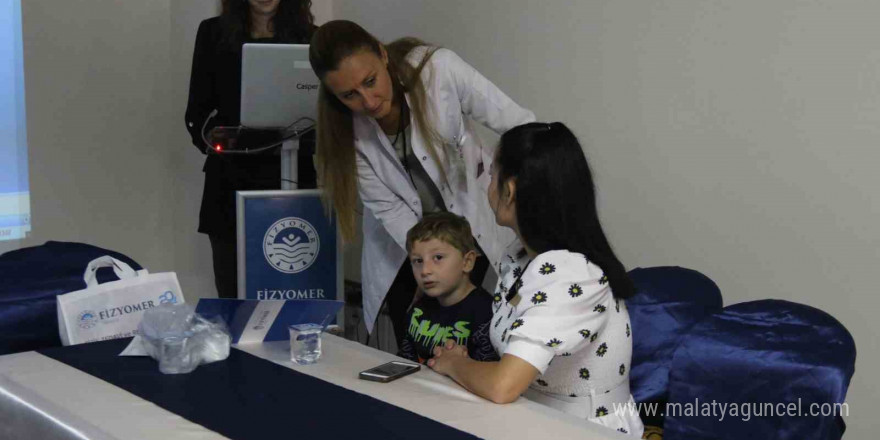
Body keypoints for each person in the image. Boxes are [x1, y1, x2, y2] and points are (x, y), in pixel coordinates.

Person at [308, 20, 535, 344]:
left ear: (382, 55)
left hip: (471, 229)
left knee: (479, 336)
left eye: (370, 81)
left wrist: (516, 183)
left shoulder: (438, 69)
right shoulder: (344, 131)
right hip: (406, 247)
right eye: (349, 95)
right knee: (416, 345)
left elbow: (520, 125)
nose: (368, 101)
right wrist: (428, 258)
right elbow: (388, 207)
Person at [427, 122, 644, 436]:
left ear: (509, 190)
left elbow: (504, 385)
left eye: (491, 175)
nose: (488, 184)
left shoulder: (570, 274)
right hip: (534, 418)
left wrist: (452, 364)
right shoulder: (521, 258)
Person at [184, 0, 317, 299]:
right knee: (234, 295)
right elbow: (197, 110)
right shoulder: (212, 33)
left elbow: (324, 110)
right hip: (230, 182)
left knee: (294, 291)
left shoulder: (311, 38)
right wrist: (214, 137)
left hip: (294, 177)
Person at [398, 212, 500, 364]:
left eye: (438, 258)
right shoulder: (417, 310)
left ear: (467, 262)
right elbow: (404, 363)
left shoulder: (487, 315)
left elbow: (489, 375)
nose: (425, 270)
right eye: (418, 260)